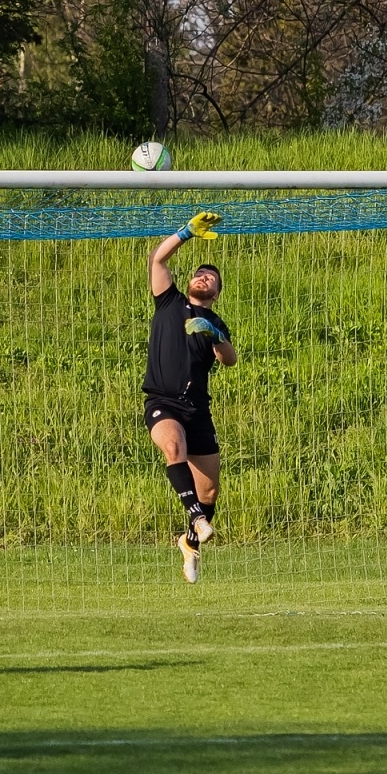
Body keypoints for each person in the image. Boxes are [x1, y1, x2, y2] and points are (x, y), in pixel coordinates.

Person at [144, 210, 238, 584]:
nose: (203, 277)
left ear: (216, 293)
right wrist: (186, 233)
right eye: (200, 273)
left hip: (198, 409)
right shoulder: (169, 301)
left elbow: (229, 359)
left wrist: (214, 335)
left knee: (210, 489)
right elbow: (158, 258)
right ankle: (197, 519)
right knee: (173, 447)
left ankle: (189, 541)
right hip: (163, 402)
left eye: (211, 278)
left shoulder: (216, 323)